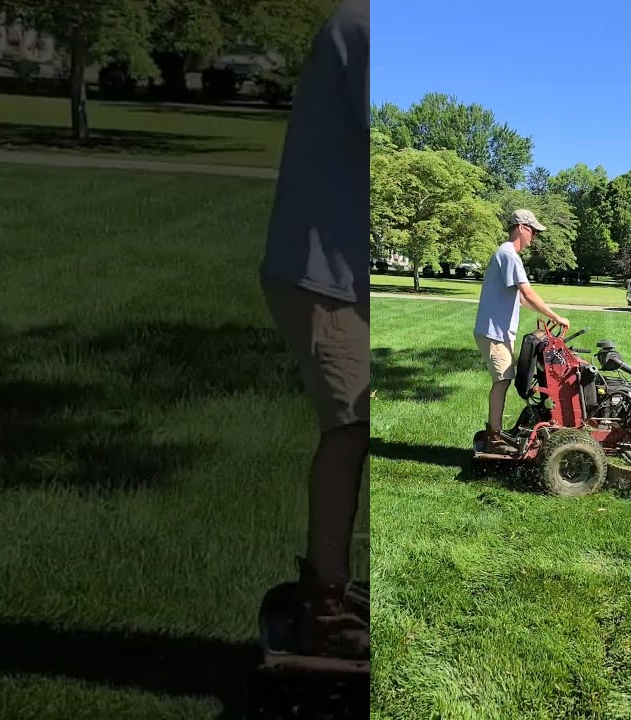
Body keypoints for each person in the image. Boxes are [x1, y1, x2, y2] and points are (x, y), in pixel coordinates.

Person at [258, 0, 369, 660]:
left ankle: (331, 586)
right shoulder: (366, 25)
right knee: (352, 422)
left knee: (362, 421)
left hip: (337, 272)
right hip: (319, 275)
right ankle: (323, 602)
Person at [474, 209, 570, 453]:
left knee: (504, 379)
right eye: (534, 232)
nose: (534, 237)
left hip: (498, 332)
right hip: (494, 333)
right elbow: (527, 292)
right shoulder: (509, 255)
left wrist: (544, 316)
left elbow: (520, 299)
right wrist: (555, 316)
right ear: (522, 227)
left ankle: (494, 432)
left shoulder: (506, 254)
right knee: (503, 380)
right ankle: (493, 437)